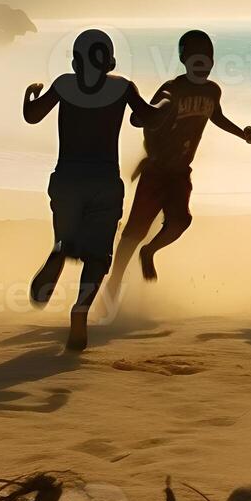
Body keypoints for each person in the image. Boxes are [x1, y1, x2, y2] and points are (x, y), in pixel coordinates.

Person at [23, 29, 168, 351]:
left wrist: (30, 94)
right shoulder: (122, 87)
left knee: (66, 237)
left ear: (76, 61)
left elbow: (32, 117)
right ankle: (81, 309)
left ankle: (60, 251)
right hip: (104, 180)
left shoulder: (63, 84)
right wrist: (164, 101)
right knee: (99, 255)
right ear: (110, 59)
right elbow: (149, 119)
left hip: (67, 179)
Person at [107, 30, 251, 303]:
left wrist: (241, 133)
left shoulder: (212, 90)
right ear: (184, 60)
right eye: (195, 58)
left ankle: (149, 252)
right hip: (156, 170)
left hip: (180, 171)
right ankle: (115, 279)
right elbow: (149, 115)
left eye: (207, 59)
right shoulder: (172, 89)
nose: (202, 64)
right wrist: (142, 126)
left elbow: (217, 117)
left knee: (181, 221)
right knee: (134, 231)